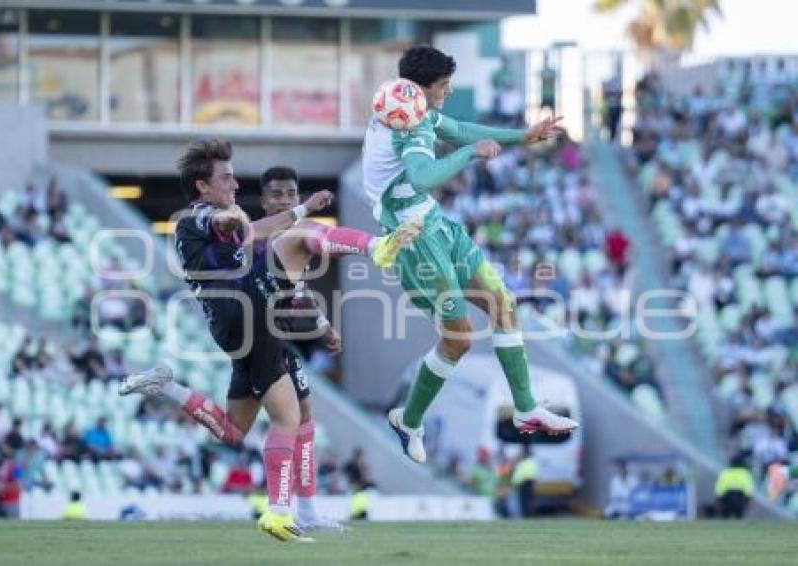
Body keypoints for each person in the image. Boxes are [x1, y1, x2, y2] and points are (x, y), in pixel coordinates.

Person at [120, 139, 419, 542]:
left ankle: (166, 385)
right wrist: (299, 211)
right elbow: (231, 226)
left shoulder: (222, 218)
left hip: (239, 326)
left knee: (233, 431)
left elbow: (249, 236)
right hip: (246, 306)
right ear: (202, 186)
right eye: (225, 178)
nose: (233, 185)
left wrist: (321, 323)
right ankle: (280, 513)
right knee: (290, 417)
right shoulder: (201, 215)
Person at [362, 45, 578, 464]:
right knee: (458, 338)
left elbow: (458, 128)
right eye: (443, 85)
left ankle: (526, 407)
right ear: (423, 88)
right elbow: (425, 176)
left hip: (436, 224)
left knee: (503, 302)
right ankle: (408, 420)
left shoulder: (407, 106)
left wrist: (522, 135)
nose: (448, 90)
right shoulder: (410, 122)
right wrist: (469, 154)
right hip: (411, 238)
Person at [714, 453, 754, 519]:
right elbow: (748, 489)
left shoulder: (725, 472)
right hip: (739, 498)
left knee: (725, 518)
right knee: (739, 517)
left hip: (727, 498)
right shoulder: (745, 473)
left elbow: (719, 488)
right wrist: (749, 500)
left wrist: (718, 500)